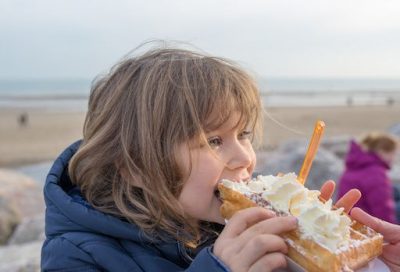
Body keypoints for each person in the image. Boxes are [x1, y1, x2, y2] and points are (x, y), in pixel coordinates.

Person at [41, 44, 360, 271]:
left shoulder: (219, 226)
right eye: (214, 140)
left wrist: (312, 257)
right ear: (134, 166)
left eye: (244, 135)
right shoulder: (75, 255)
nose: (244, 158)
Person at [338, 133, 398, 224]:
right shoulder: (376, 172)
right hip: (366, 220)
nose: (394, 158)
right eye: (393, 153)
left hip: (352, 212)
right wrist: (391, 227)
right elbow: (381, 208)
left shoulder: (357, 163)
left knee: (396, 190)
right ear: (382, 152)